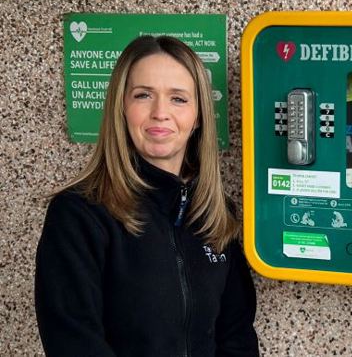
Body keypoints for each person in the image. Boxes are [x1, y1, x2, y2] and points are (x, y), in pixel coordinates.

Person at [35, 35, 259, 356]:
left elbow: (236, 336)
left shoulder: (217, 215)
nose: (160, 113)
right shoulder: (79, 214)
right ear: (121, 108)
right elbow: (74, 342)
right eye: (143, 95)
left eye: (178, 99)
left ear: (197, 118)